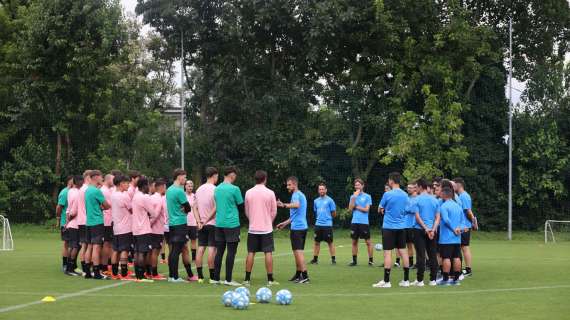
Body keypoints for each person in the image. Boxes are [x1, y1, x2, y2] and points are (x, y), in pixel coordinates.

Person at [373, 172, 411, 288]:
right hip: (401, 227)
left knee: (387, 253)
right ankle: (406, 280)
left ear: (391, 181)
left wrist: (384, 210)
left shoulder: (387, 194)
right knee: (403, 252)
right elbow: (407, 209)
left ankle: (387, 281)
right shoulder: (405, 195)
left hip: (389, 227)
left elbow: (380, 209)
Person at [243, 170, 278, 287]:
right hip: (266, 229)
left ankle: (247, 279)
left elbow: (247, 211)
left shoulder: (248, 192)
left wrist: (252, 220)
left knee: (251, 252)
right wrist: (268, 221)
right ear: (265, 179)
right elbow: (274, 211)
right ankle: (270, 280)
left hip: (252, 228)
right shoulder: (270, 193)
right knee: (268, 252)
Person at [212, 166, 243, 286]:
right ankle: (228, 280)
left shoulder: (217, 188)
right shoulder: (235, 189)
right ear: (232, 175)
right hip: (231, 224)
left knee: (219, 251)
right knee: (231, 252)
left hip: (219, 224)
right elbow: (241, 206)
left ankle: (216, 279)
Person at [277, 176, 310, 284]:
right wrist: (285, 223)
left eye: (289, 184)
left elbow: (296, 205)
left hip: (298, 228)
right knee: (297, 252)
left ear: (295, 184)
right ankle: (298, 274)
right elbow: (295, 215)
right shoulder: (300, 194)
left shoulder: (296, 195)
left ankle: (305, 276)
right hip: (301, 226)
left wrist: (284, 205)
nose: (287, 187)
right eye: (287, 185)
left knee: (298, 252)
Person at [166, 168, 196, 283]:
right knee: (176, 250)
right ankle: (175, 277)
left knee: (174, 249)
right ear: (179, 177)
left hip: (172, 223)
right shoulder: (179, 191)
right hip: (180, 223)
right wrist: (185, 209)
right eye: (184, 177)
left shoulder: (169, 190)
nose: (185, 179)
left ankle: (171, 275)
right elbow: (188, 207)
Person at [411, 178, 440, 286]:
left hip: (419, 230)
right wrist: (432, 229)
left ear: (419, 187)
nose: (415, 189)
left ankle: (420, 280)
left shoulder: (416, 199)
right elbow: (438, 217)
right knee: (432, 254)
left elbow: (417, 217)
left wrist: (426, 228)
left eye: (415, 187)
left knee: (420, 255)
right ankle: (433, 280)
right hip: (432, 230)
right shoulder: (435, 200)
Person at [84, 170, 111, 279]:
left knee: (89, 246)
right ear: (95, 177)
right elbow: (107, 205)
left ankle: (87, 272)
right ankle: (96, 272)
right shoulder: (96, 191)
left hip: (89, 221)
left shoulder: (87, 190)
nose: (102, 179)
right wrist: (103, 207)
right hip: (97, 222)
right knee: (96, 247)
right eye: (101, 177)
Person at [195, 167, 219, 283]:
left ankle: (199, 276)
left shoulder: (199, 189)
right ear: (214, 176)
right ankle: (212, 277)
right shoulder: (215, 189)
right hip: (212, 223)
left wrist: (198, 221)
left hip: (202, 224)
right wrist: (207, 220)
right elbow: (216, 207)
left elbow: (194, 207)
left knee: (200, 248)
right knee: (211, 249)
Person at [131, 177, 158, 282]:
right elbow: (154, 213)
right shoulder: (144, 197)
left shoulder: (135, 196)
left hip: (135, 228)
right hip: (144, 228)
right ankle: (142, 276)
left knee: (137, 252)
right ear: (144, 186)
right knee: (142, 253)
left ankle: (138, 275)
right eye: (148, 185)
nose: (150, 188)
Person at [437, 187, 463, 285]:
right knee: (456, 257)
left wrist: (453, 229)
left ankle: (445, 279)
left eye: (441, 193)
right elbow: (462, 221)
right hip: (457, 238)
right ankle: (456, 279)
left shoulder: (444, 206)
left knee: (446, 258)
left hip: (446, 238)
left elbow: (446, 220)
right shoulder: (458, 206)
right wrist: (458, 228)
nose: (440, 194)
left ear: (444, 194)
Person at [453, 177, 478, 277]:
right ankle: (464, 268)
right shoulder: (461, 195)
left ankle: (468, 269)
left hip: (465, 226)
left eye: (454, 184)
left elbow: (468, 211)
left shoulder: (464, 196)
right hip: (463, 226)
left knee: (464, 247)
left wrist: (473, 222)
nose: (453, 186)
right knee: (462, 247)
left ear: (459, 185)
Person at [111, 175, 134, 279]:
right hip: (125, 227)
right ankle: (124, 273)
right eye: (126, 183)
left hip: (116, 226)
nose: (128, 185)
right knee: (124, 250)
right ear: (121, 184)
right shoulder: (124, 195)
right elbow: (131, 209)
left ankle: (114, 273)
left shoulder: (113, 194)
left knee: (116, 250)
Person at [348, 178, 373, 267]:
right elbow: (350, 209)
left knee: (368, 242)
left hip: (364, 222)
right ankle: (354, 261)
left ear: (362, 186)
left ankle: (370, 261)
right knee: (354, 242)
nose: (357, 186)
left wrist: (357, 207)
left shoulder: (367, 196)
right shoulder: (352, 196)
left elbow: (366, 209)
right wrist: (354, 197)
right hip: (354, 222)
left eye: (359, 185)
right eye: (356, 185)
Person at [310, 183, 337, 265]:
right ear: (318, 191)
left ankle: (333, 259)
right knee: (316, 242)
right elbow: (316, 212)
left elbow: (334, 213)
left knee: (330, 242)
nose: (321, 190)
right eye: (320, 189)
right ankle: (315, 259)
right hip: (318, 225)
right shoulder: (316, 201)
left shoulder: (330, 200)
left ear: (326, 190)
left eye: (323, 189)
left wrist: (328, 219)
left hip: (327, 225)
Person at [63, 175, 83, 276]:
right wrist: (69, 220)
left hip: (72, 223)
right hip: (75, 223)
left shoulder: (71, 191)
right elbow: (73, 211)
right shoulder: (77, 194)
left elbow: (68, 209)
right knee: (75, 246)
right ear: (78, 182)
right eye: (82, 181)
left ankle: (71, 266)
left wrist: (67, 222)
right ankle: (70, 269)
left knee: (74, 246)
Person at [149, 179, 167, 280]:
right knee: (155, 252)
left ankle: (149, 271)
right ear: (161, 187)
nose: (165, 189)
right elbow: (155, 215)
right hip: (156, 230)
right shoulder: (159, 199)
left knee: (151, 252)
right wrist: (149, 225)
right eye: (165, 187)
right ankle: (154, 273)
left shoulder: (151, 197)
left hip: (152, 230)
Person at [56, 176, 74, 272]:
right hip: (66, 223)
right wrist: (58, 219)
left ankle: (71, 263)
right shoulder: (65, 192)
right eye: (73, 180)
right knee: (67, 244)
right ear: (69, 181)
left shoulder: (74, 191)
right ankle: (65, 264)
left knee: (74, 245)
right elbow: (59, 207)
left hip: (74, 223)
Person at [77, 170, 91, 276]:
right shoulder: (86, 189)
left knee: (84, 244)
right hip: (86, 220)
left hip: (82, 219)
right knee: (86, 245)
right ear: (88, 178)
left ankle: (85, 267)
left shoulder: (81, 189)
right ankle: (85, 268)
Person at [100, 173, 115, 275]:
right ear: (108, 179)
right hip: (106, 221)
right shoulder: (104, 191)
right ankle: (104, 266)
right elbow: (106, 205)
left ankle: (106, 265)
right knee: (106, 244)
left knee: (108, 244)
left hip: (109, 220)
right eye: (113, 180)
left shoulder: (107, 190)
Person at [403, 182, 418, 269]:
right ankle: (411, 262)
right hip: (406, 225)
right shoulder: (407, 198)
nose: (409, 189)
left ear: (415, 189)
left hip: (413, 225)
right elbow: (403, 209)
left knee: (416, 245)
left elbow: (413, 210)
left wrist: (407, 209)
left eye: (411, 188)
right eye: (408, 187)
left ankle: (418, 262)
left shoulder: (417, 199)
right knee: (408, 244)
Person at [183, 180, 199, 264]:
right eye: (189, 186)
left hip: (193, 222)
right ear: (185, 186)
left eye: (191, 186)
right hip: (185, 222)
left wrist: (198, 221)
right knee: (185, 242)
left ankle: (193, 258)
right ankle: (186, 257)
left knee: (193, 240)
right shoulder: (182, 196)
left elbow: (197, 208)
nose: (190, 187)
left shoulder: (194, 196)